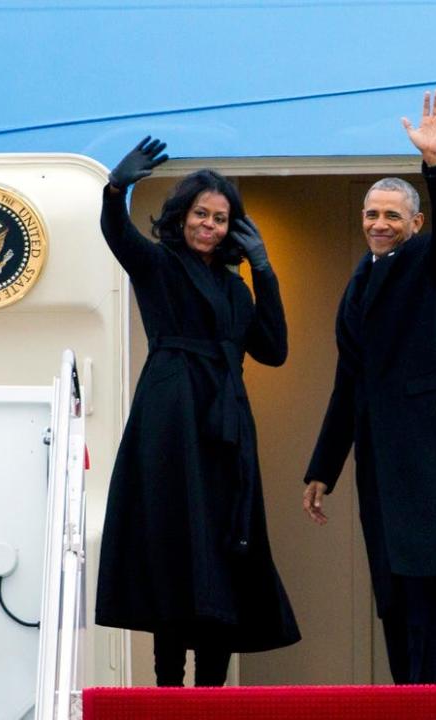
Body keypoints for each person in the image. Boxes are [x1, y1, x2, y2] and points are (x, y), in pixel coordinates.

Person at [95, 137, 300, 687]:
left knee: (226, 550)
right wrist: (116, 189)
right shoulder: (160, 264)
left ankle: (211, 694)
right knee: (174, 543)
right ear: (182, 217)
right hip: (173, 417)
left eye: (220, 217)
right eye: (200, 214)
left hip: (227, 428)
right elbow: (119, 237)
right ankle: (168, 690)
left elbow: (274, 349)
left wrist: (264, 269)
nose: (208, 225)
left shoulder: (235, 289)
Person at [302, 90, 436, 685]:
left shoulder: (430, 262)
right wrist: (323, 467)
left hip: (424, 461)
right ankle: (410, 698)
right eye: (372, 214)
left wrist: (435, 164)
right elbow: (350, 382)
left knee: (424, 595)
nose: (379, 223)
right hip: (378, 461)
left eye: (392, 215)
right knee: (392, 597)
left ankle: (430, 701)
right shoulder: (357, 284)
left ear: (414, 222)